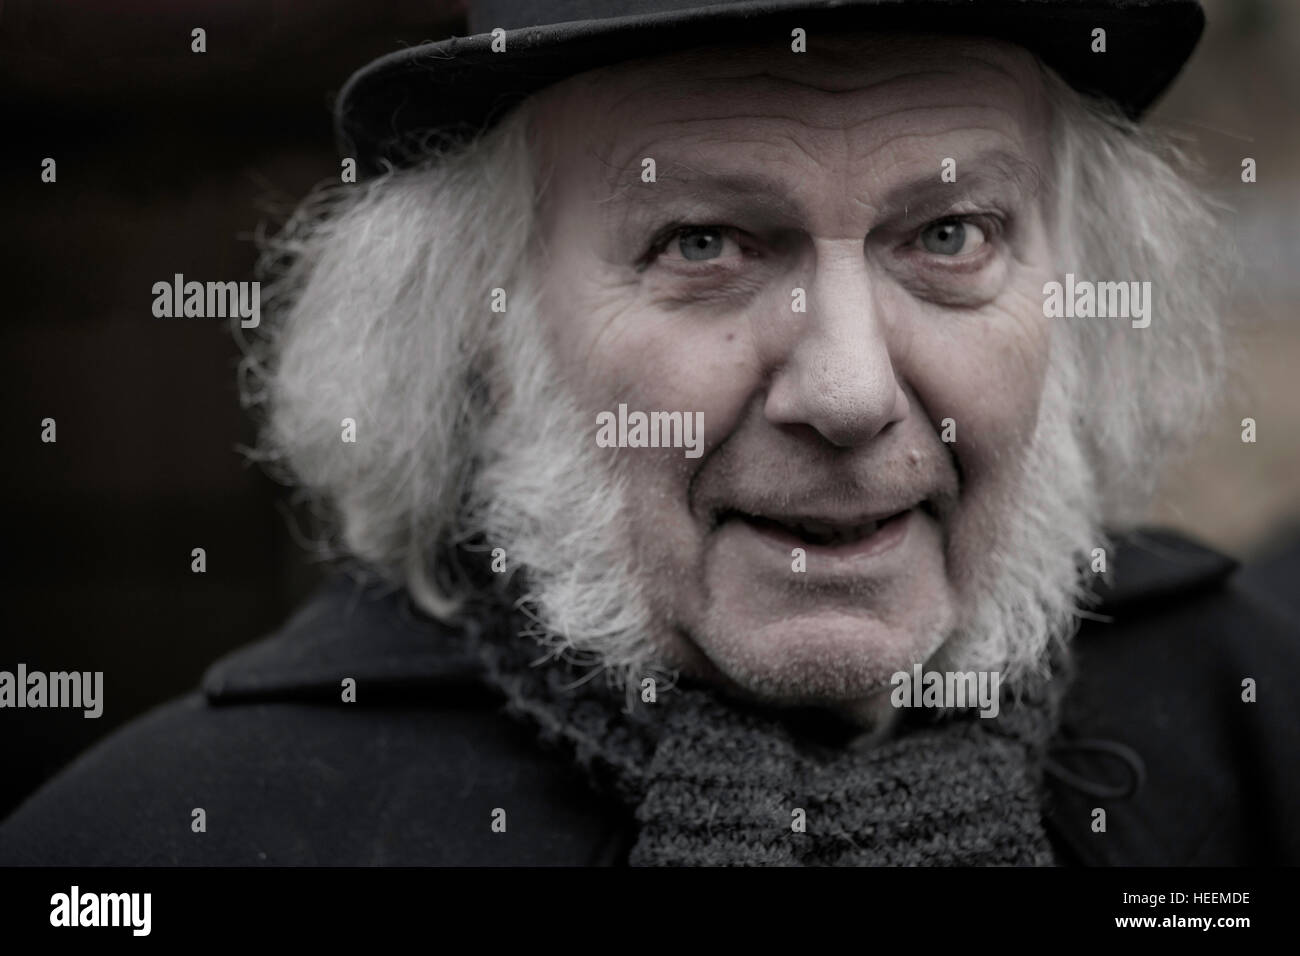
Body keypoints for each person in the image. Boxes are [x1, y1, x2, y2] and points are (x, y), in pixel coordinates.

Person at [3, 0, 1297, 866]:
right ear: (481, 327)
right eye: (705, 244)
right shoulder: (170, 845)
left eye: (949, 236)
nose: (846, 393)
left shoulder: (1257, 715)